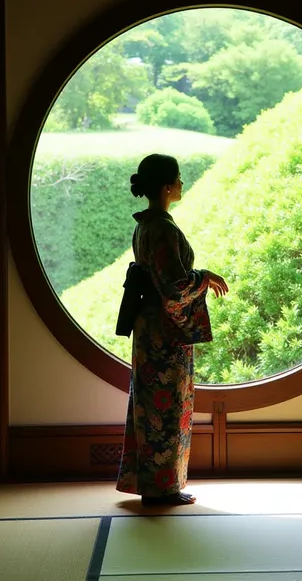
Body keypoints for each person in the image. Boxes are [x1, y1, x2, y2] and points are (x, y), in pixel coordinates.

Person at [116, 153, 228, 505]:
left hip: (149, 326)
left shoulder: (146, 224)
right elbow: (175, 287)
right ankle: (163, 487)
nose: (182, 184)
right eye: (178, 179)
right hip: (165, 330)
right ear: (167, 186)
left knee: (150, 405)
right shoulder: (162, 228)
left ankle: (154, 483)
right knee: (167, 403)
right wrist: (204, 277)